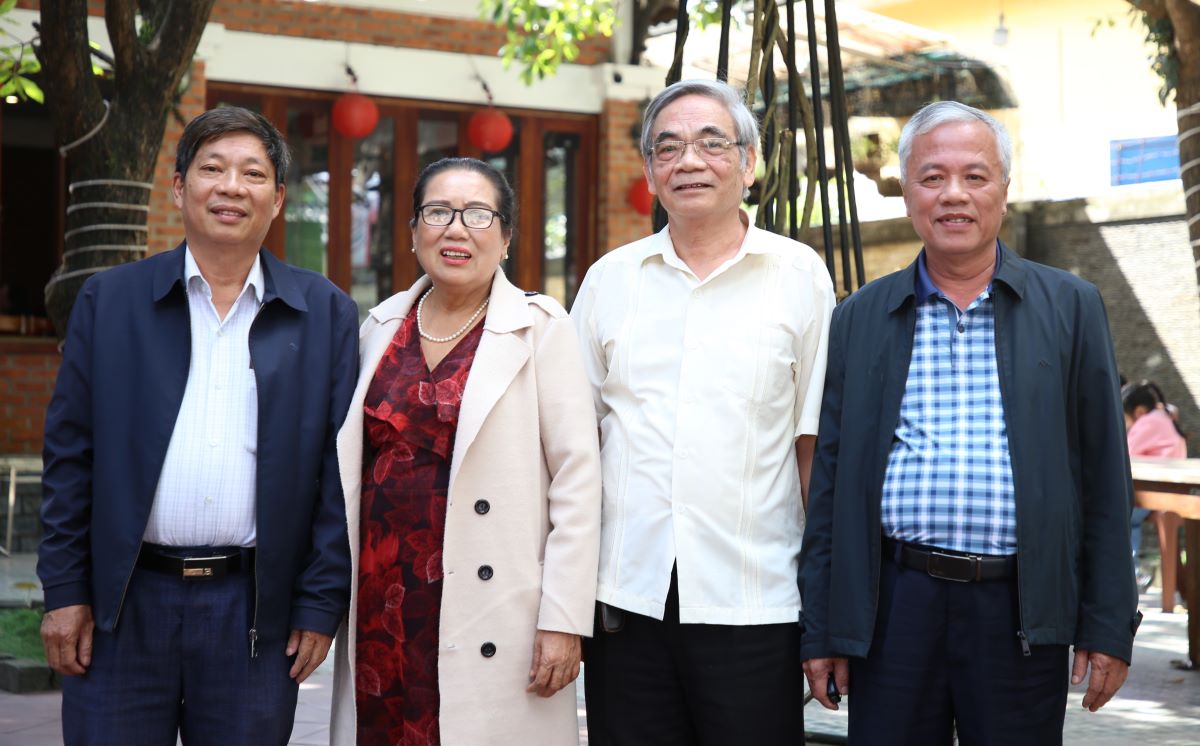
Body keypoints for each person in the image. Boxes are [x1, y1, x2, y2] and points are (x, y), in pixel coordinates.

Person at [798, 100, 1141, 745]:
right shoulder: (860, 318)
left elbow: (1103, 478)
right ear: (907, 194)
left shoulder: (1071, 307)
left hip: (1019, 608)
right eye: (932, 177)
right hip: (894, 606)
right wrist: (825, 628)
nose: (953, 194)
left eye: (974, 176)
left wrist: (1106, 624)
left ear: (1004, 193)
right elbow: (831, 486)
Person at [38, 107, 358, 744]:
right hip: (123, 607)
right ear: (180, 188)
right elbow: (69, 457)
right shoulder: (111, 301)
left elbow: (337, 474)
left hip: (253, 613)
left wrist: (319, 605)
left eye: (252, 173)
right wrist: (65, 590)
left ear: (277, 198)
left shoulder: (323, 312)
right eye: (212, 169)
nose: (231, 187)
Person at [572, 79, 835, 744]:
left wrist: (827, 612)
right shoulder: (610, 280)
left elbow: (813, 445)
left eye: (712, 143)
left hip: (754, 600)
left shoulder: (799, 276)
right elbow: (571, 444)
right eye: (670, 147)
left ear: (749, 163)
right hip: (625, 602)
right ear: (650, 171)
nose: (690, 161)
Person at [328, 157, 600, 745]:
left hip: (495, 604)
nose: (456, 229)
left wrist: (564, 618)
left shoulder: (540, 327)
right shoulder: (378, 326)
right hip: (382, 597)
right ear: (412, 233)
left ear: (504, 238)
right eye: (438, 213)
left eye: (478, 214)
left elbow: (578, 481)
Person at [1123, 380, 1187, 588]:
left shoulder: (1148, 423)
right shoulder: (1161, 416)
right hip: (1168, 491)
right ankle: (1133, 569)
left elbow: (1126, 453)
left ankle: (1131, 570)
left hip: (1158, 493)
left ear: (1138, 411)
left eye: (1124, 419)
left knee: (1124, 518)